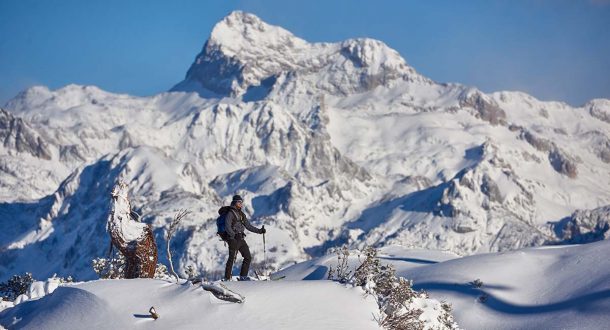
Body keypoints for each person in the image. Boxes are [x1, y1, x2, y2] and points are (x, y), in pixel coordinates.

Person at [218, 195, 266, 281]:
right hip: (233, 239)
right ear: (234, 202)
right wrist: (233, 236)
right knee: (232, 259)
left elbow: (248, 226)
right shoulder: (230, 213)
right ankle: (227, 278)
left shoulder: (241, 214)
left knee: (248, 257)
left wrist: (260, 231)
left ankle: (243, 277)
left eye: (241, 202)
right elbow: (227, 226)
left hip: (240, 238)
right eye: (239, 202)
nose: (240, 204)